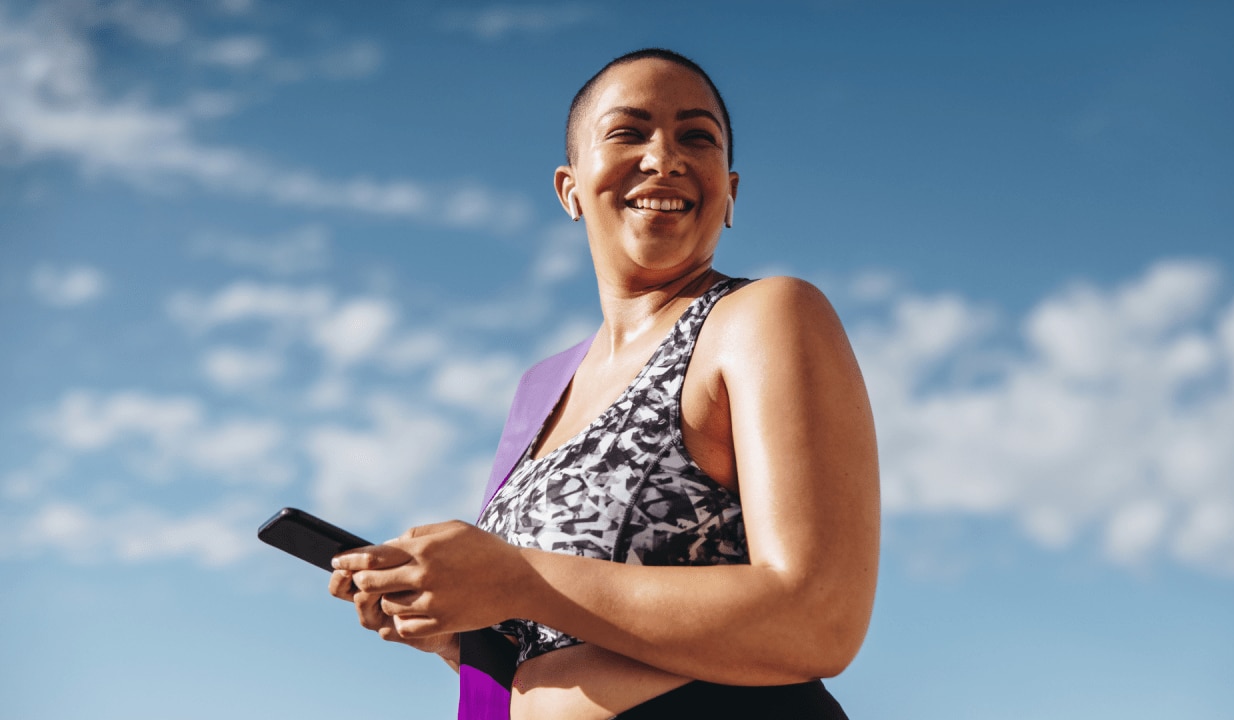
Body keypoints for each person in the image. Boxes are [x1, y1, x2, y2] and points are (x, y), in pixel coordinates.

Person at [329, 48, 880, 720]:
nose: (664, 158)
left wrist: (516, 578)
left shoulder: (760, 316)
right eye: (629, 132)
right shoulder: (540, 388)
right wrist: (464, 631)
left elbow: (817, 620)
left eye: (696, 136)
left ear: (730, 191)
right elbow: (548, 640)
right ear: (570, 189)